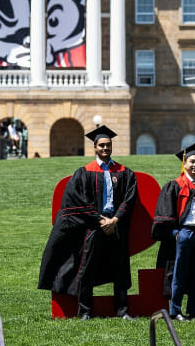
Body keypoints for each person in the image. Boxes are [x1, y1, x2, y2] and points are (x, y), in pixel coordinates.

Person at [38, 125, 139, 319]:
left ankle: (123, 310)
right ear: (95, 147)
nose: (105, 148)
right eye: (101, 145)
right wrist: (100, 220)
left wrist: (115, 219)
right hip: (94, 226)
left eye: (108, 145)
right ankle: (85, 311)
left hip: (115, 225)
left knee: (120, 267)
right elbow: (77, 201)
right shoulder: (84, 173)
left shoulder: (125, 172)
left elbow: (129, 198)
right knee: (86, 268)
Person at [151, 143, 195, 321]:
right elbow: (166, 212)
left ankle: (194, 311)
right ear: (185, 163)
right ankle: (176, 311)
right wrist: (175, 233)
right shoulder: (174, 186)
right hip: (184, 234)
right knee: (178, 273)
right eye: (192, 162)